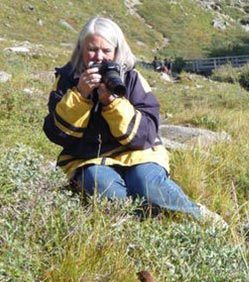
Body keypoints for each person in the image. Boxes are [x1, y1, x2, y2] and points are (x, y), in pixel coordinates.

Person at [43, 16, 227, 228]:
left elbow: (146, 134)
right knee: (105, 188)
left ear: (117, 51)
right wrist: (81, 95)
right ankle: (147, 224)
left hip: (137, 152)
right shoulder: (66, 79)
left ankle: (196, 214)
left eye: (106, 51)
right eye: (92, 49)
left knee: (147, 185)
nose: (99, 57)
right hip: (87, 158)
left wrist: (112, 102)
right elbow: (56, 134)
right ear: (81, 50)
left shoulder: (132, 79)